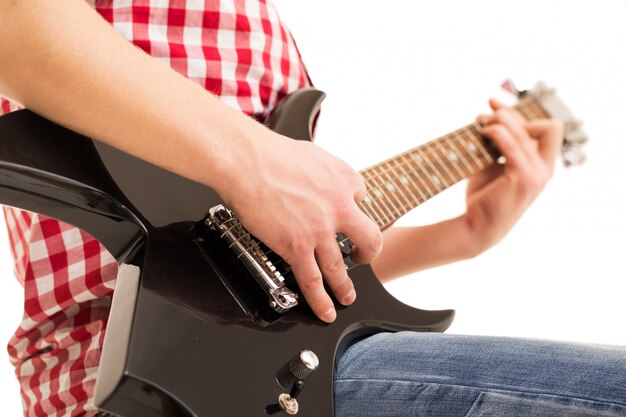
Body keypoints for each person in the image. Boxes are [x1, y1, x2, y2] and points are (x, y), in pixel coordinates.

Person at [0, 1, 624, 416]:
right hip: (121, 369)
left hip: (264, 370)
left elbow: (253, 273)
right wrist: (254, 159)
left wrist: (464, 234)